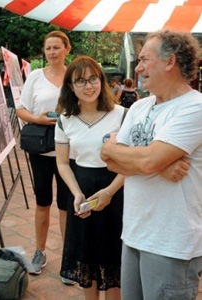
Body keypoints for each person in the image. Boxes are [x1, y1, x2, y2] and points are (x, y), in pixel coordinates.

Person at [101, 30, 202, 299]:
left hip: (171, 243)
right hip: (133, 233)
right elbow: (110, 161)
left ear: (170, 62)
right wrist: (159, 164)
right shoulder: (138, 107)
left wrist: (125, 153)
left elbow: (142, 160)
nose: (139, 67)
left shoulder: (195, 107)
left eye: (145, 59)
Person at [55, 56, 125, 300]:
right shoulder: (64, 120)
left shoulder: (122, 115)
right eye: (80, 81)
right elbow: (63, 163)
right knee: (87, 257)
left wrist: (110, 191)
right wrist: (76, 194)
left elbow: (130, 163)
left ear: (101, 80)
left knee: (113, 258)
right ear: (70, 87)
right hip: (82, 190)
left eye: (93, 79)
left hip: (117, 191)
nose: (88, 86)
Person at [15, 30, 74, 284]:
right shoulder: (35, 77)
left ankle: (69, 259)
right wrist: (39, 119)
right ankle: (40, 252)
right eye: (48, 48)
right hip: (41, 149)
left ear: (66, 49)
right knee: (43, 202)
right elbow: (20, 109)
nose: (51, 52)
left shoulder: (75, 75)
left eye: (56, 47)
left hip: (70, 150)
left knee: (66, 205)